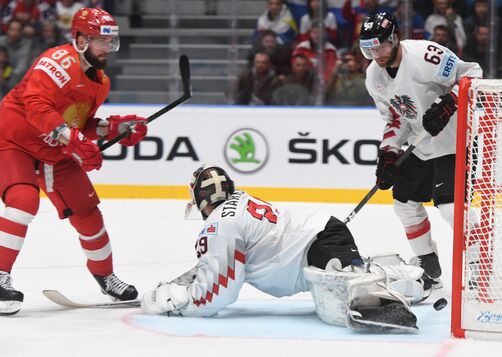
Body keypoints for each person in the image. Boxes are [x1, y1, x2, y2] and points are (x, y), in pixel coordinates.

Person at [0, 7, 148, 316]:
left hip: (55, 151)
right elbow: (37, 107)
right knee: (22, 201)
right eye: (101, 41)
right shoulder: (56, 62)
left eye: (111, 43)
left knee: (89, 214)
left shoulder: (100, 81)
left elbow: (77, 121)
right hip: (16, 144)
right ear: (81, 39)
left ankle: (105, 276)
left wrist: (112, 128)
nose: (107, 49)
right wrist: (73, 141)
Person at [140, 165, 429, 333]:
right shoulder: (237, 205)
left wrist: (175, 304)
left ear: (201, 198)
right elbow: (225, 265)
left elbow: (218, 292)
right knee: (338, 288)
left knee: (346, 292)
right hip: (319, 244)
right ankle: (410, 278)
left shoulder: (219, 226)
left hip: (319, 245)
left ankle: (403, 283)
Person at [359, 12, 482, 289]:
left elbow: (473, 73)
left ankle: (480, 267)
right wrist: (389, 152)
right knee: (403, 203)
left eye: (379, 46)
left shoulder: (427, 56)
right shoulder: (373, 77)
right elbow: (396, 119)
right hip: (422, 144)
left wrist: (450, 102)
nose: (375, 54)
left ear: (394, 38)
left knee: (451, 208)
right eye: (368, 49)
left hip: (455, 140)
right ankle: (429, 265)